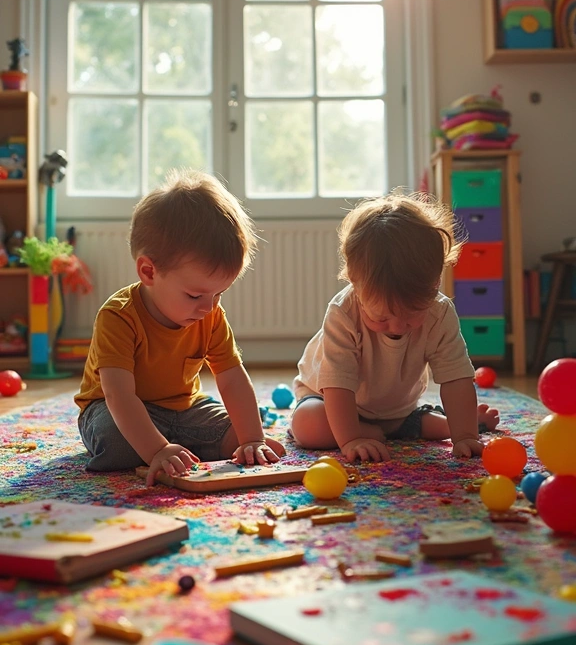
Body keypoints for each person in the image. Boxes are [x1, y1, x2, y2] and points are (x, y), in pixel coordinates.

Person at [76, 171, 284, 486]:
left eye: (219, 294)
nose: (209, 307)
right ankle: (168, 446)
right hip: (115, 407)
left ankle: (177, 446)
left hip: (185, 409)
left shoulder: (209, 315)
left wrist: (252, 437)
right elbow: (118, 394)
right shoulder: (118, 317)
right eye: (195, 295)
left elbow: (231, 379)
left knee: (237, 434)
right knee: (117, 444)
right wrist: (157, 448)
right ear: (149, 271)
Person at [291, 192, 499, 463]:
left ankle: (449, 423)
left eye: (413, 314)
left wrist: (465, 434)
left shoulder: (440, 312)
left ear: (435, 283)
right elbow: (337, 386)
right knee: (308, 427)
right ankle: (385, 429)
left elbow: (456, 378)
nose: (398, 326)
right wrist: (352, 439)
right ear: (355, 283)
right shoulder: (343, 312)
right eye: (382, 317)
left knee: (439, 424)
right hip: (330, 402)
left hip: (397, 412)